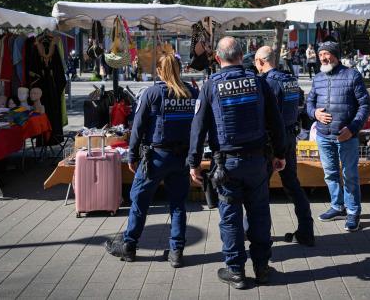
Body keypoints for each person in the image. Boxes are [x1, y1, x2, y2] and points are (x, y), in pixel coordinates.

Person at [188, 37, 286, 289]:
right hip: (257, 162)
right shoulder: (259, 82)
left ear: (218, 59)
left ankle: (236, 272)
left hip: (227, 165)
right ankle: (262, 268)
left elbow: (197, 129)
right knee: (260, 215)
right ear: (242, 56)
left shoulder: (211, 86)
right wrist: (280, 153)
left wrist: (194, 162)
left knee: (230, 218)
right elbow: (276, 121)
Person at [105, 54, 199, 268]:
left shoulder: (153, 93)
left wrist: (132, 155)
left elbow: (137, 128)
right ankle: (176, 251)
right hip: (181, 157)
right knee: (178, 205)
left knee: (139, 201)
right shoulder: (192, 92)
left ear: (159, 71)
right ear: (179, 70)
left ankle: (129, 246)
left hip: (155, 158)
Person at [306, 41, 370, 232]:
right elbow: (309, 103)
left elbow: (365, 105)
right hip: (323, 135)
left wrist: (352, 128)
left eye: (327, 54)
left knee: (350, 175)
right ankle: (337, 206)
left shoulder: (352, 75)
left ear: (336, 55)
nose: (324, 58)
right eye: (321, 55)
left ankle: (353, 211)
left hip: (346, 136)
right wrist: (314, 114)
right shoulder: (317, 78)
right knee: (330, 173)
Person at [254, 46, 314, 246]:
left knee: (259, 188)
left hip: (273, 142)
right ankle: (306, 230)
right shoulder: (290, 79)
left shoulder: (267, 82)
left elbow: (265, 114)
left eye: (256, 63)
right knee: (292, 184)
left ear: (261, 61)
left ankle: (255, 232)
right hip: (290, 137)